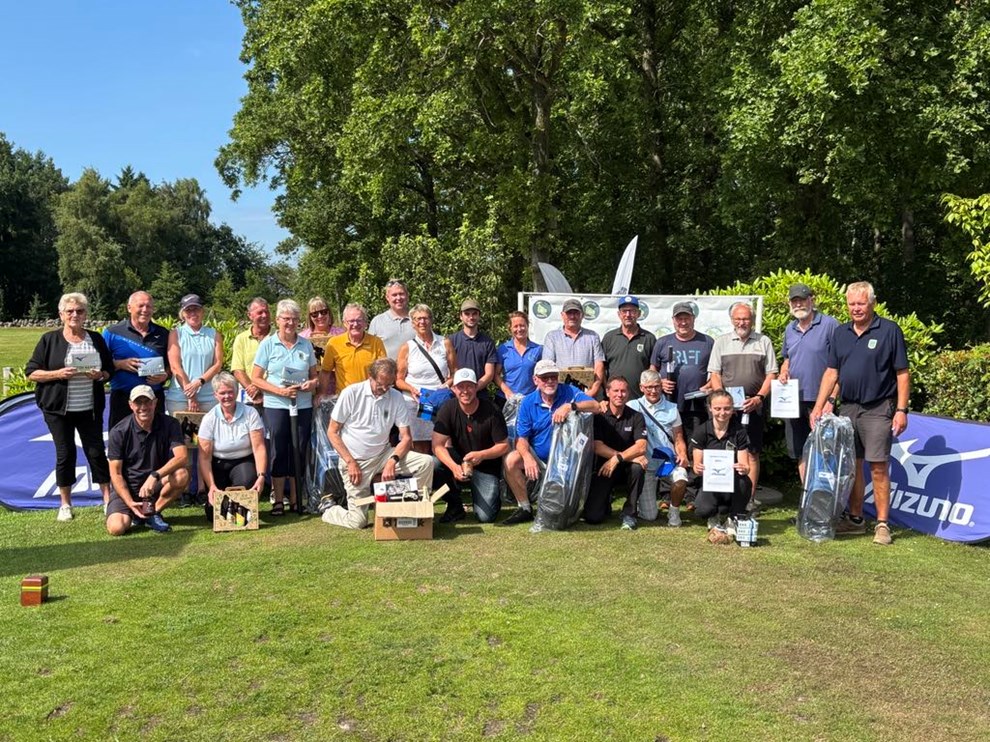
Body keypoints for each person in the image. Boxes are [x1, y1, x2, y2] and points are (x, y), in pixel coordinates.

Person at [811, 281, 910, 546]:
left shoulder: (889, 330)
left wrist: (901, 410)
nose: (856, 308)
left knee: (878, 466)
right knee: (851, 466)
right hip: (848, 408)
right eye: (852, 304)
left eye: (861, 303)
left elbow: (902, 373)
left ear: (872, 303)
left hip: (878, 408)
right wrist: (821, 405)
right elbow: (832, 372)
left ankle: (882, 524)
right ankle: (855, 520)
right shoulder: (841, 333)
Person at [26, 292, 114, 520]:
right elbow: (31, 373)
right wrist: (58, 374)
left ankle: (108, 500)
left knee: (96, 453)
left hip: (89, 408)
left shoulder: (95, 339)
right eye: (70, 311)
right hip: (58, 410)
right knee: (65, 454)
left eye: (80, 311)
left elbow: (109, 370)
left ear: (86, 314)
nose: (75, 315)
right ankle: (65, 504)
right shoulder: (49, 340)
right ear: (61, 315)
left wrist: (100, 375)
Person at [321, 359, 435, 529]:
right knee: (358, 521)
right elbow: (332, 432)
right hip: (355, 461)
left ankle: (415, 508)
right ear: (370, 377)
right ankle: (329, 510)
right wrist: (350, 462)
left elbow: (406, 438)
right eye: (381, 385)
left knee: (426, 462)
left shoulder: (396, 397)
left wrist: (392, 461)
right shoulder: (351, 393)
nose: (385, 389)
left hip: (383, 455)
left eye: (389, 385)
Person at [502, 359, 600, 525]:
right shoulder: (527, 402)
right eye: (544, 377)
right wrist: (527, 457)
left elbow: (595, 406)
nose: (549, 381)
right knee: (511, 460)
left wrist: (570, 406)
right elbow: (521, 439)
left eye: (553, 376)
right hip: (539, 457)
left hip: (567, 459)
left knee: (559, 512)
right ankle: (524, 508)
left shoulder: (569, 391)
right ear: (535, 380)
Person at [251, 299, 319, 515]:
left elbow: (314, 377)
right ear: (278, 320)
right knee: (279, 450)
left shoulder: (305, 344)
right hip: (276, 405)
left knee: (299, 449)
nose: (290, 323)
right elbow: (256, 378)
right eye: (286, 319)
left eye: (294, 319)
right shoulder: (268, 344)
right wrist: (279, 391)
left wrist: (311, 385)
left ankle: (297, 499)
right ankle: (278, 500)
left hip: (302, 405)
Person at [708, 302, 777, 503]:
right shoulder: (721, 342)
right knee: (724, 451)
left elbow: (771, 374)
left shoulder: (764, 341)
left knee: (752, 452)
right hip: (726, 409)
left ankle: (748, 500)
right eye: (738, 318)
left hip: (753, 406)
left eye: (746, 318)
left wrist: (759, 398)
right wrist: (722, 401)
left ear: (752, 320)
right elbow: (715, 374)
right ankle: (724, 499)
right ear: (732, 320)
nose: (741, 322)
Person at [106, 385, 190, 535]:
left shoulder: (170, 424)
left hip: (155, 485)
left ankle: (152, 513)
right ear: (131, 405)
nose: (143, 407)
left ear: (155, 402)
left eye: (147, 402)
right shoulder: (118, 431)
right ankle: (136, 512)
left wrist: (155, 475)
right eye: (138, 402)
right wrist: (129, 502)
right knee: (116, 528)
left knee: (181, 475)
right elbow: (115, 474)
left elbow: (182, 457)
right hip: (128, 488)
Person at [432, 368, 511, 524]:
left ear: (476, 387)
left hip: (486, 465)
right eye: (460, 386)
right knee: (434, 464)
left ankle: (487, 496)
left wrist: (482, 455)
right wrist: (454, 467)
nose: (465, 391)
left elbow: (503, 446)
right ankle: (455, 505)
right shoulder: (447, 408)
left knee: (485, 517)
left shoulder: (492, 410)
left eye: (469, 386)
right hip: (459, 460)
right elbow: (437, 445)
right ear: (454, 389)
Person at [778, 283, 839, 483]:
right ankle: (808, 495)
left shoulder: (830, 325)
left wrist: (831, 399)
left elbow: (840, 366)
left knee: (825, 451)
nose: (798, 304)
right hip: (793, 400)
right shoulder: (789, 329)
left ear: (811, 300)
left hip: (821, 401)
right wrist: (784, 370)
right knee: (800, 451)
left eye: (802, 300)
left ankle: (825, 496)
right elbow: (787, 358)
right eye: (794, 301)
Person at [197, 372, 267, 521]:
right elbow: (204, 458)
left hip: (243, 461)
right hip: (218, 463)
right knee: (212, 515)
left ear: (236, 392)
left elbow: (259, 448)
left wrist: (261, 476)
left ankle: (236, 509)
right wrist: (211, 486)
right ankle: (232, 509)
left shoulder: (251, 413)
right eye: (222, 393)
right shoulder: (209, 419)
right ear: (216, 395)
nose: (227, 396)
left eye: (230, 392)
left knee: (247, 480)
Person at [627, 370, 690, 526]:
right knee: (649, 516)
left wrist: (682, 454)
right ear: (641, 387)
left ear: (661, 386)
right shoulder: (632, 406)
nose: (653, 391)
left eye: (656, 386)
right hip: (647, 464)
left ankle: (674, 512)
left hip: (669, 462)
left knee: (681, 478)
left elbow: (679, 438)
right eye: (649, 387)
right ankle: (642, 505)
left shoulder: (672, 408)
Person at [585, 376, 648, 529]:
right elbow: (597, 447)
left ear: (628, 393)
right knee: (593, 517)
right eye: (616, 391)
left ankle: (629, 513)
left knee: (638, 468)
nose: (620, 395)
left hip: (625, 468)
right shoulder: (599, 416)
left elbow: (641, 447)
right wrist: (624, 457)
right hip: (604, 468)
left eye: (623, 391)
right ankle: (605, 501)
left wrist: (617, 459)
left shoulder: (636, 416)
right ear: (607, 392)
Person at [690, 390, 752, 545]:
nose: (722, 413)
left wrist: (743, 468)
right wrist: (698, 467)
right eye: (717, 408)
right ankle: (714, 516)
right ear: (710, 408)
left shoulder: (739, 432)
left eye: (726, 408)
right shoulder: (701, 431)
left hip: (732, 482)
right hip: (710, 482)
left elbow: (746, 466)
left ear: (732, 409)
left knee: (745, 481)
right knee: (702, 510)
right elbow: (696, 467)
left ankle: (733, 518)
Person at [103, 290, 170, 429]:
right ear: (129, 308)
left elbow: (172, 366)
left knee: (156, 438)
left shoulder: (163, 333)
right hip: (122, 398)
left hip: (153, 398)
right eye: (140, 306)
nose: (145, 310)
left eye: (149, 306)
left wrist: (165, 375)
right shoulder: (112, 332)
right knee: (120, 438)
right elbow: (100, 364)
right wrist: (119, 364)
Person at [396, 303, 457, 453]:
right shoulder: (407, 347)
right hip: (416, 402)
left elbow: (455, 371)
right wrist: (412, 389)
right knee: (420, 446)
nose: (422, 322)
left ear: (431, 320)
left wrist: (447, 384)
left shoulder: (444, 343)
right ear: (413, 323)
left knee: (445, 444)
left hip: (440, 400)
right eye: (418, 319)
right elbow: (398, 380)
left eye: (425, 318)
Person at [651, 301, 715, 438]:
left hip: (696, 406)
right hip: (667, 403)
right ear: (673, 320)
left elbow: (717, 371)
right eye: (679, 319)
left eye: (687, 318)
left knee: (695, 442)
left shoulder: (708, 342)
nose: (683, 322)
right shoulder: (662, 342)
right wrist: (660, 382)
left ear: (693, 319)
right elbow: (652, 370)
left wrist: (709, 385)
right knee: (669, 441)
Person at [165, 294, 224, 415]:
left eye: (196, 309)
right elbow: (175, 366)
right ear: (182, 313)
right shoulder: (175, 334)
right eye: (188, 310)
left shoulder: (214, 334)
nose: (193, 313)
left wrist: (199, 382)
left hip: (209, 397)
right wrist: (191, 395)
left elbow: (217, 364)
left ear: (202, 311)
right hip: (179, 398)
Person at [540, 298, 605, 398]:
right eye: (569, 313)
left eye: (576, 313)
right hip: (559, 394)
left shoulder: (593, 336)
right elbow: (548, 366)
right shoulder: (552, 337)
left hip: (587, 393)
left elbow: (599, 366)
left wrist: (593, 391)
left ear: (582, 315)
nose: (572, 316)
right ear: (562, 315)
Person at [318, 303, 386, 395]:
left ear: (365, 323)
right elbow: (325, 372)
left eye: (359, 320)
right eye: (351, 321)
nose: (355, 324)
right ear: (345, 323)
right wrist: (321, 394)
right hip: (344, 397)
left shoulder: (376, 342)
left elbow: (382, 371)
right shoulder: (334, 343)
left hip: (370, 396)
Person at [601, 296, 656, 400]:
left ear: (639, 313)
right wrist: (606, 393)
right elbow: (602, 369)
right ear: (619, 314)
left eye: (632, 311)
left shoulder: (649, 338)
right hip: (615, 399)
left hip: (641, 400)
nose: (628, 315)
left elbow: (653, 368)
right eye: (624, 311)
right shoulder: (609, 338)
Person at [448, 299, 497, 399]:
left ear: (479, 316)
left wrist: (473, 389)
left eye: (474, 314)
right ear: (461, 316)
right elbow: (448, 370)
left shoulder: (488, 342)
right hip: (457, 396)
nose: (471, 317)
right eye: (467, 314)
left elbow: (489, 374)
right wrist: (460, 390)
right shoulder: (451, 341)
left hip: (480, 396)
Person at [230, 297, 272, 410]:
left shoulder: (278, 338)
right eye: (260, 312)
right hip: (248, 396)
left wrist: (261, 387)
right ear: (250, 315)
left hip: (273, 395)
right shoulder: (241, 339)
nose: (264, 315)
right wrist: (254, 391)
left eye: (266, 312)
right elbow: (237, 370)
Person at [495, 311, 542, 400]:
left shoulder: (538, 349)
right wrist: (507, 392)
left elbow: (542, 375)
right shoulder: (503, 349)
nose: (519, 329)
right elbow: (496, 374)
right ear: (510, 328)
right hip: (506, 398)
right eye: (515, 326)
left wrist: (536, 393)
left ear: (527, 326)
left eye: (522, 325)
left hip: (530, 398)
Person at [368, 279, 415, 358]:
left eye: (401, 294)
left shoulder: (418, 320)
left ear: (407, 295)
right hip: (386, 366)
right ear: (387, 297)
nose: (398, 298)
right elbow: (370, 351)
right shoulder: (377, 321)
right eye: (394, 295)